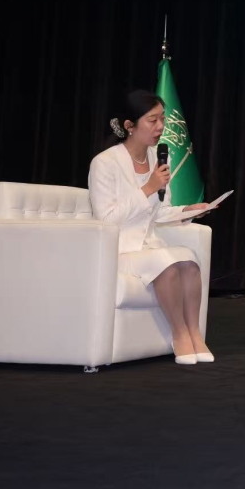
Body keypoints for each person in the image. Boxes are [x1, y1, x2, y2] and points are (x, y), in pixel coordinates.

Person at [88, 90, 214, 365]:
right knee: (166, 265)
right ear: (129, 126)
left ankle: (195, 333)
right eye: (153, 120)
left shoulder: (158, 158)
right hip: (119, 251)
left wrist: (188, 211)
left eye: (163, 119)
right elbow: (106, 219)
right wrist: (147, 188)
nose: (160, 127)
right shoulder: (104, 163)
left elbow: (159, 211)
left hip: (149, 246)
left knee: (189, 261)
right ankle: (179, 334)